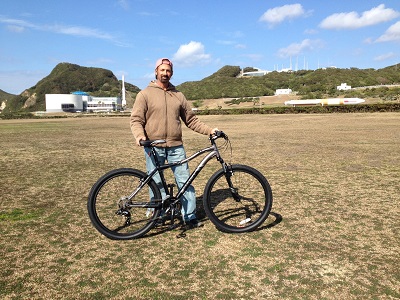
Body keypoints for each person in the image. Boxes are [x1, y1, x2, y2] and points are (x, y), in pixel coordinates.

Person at [130, 58, 218, 228]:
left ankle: (189, 216)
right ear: (156, 71)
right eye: (162, 70)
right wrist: (140, 137)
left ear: (172, 73)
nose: (165, 73)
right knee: (156, 182)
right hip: (153, 146)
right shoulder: (145, 94)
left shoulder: (178, 95)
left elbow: (192, 121)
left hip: (176, 146)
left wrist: (210, 130)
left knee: (185, 181)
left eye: (168, 70)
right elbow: (136, 120)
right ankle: (159, 214)